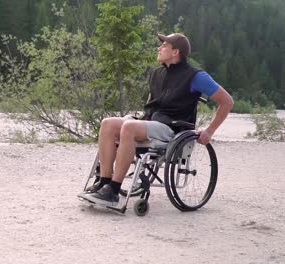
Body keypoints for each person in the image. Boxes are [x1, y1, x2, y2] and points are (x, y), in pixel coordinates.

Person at [81, 33, 234, 206]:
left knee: (129, 127)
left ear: (175, 52)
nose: (159, 48)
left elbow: (227, 102)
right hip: (151, 121)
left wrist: (209, 130)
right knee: (108, 124)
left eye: (164, 46)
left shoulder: (196, 76)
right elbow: (151, 103)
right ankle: (104, 182)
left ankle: (114, 191)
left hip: (171, 127)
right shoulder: (157, 73)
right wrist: (142, 119)